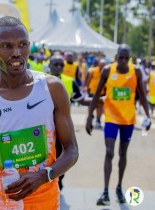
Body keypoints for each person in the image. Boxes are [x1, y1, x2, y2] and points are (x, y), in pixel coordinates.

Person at [0, 16, 79, 209]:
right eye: (6, 46)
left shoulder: (52, 89)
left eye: (22, 45)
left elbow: (71, 150)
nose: (17, 53)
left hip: (44, 201)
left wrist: (43, 175)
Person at [86, 44, 152, 206]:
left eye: (126, 58)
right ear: (116, 57)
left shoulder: (135, 71)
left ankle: (119, 187)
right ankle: (105, 191)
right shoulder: (107, 70)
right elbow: (96, 95)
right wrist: (89, 117)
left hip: (128, 120)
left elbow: (143, 96)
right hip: (111, 118)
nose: (123, 61)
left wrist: (149, 116)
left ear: (129, 58)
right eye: (120, 57)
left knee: (123, 153)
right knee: (109, 152)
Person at [49, 54, 90, 191]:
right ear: (49, 66)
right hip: (44, 127)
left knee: (63, 154)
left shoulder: (69, 81)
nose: (59, 67)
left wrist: (99, 100)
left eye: (61, 65)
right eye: (56, 64)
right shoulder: (39, 81)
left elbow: (81, 100)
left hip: (62, 126)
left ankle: (59, 180)